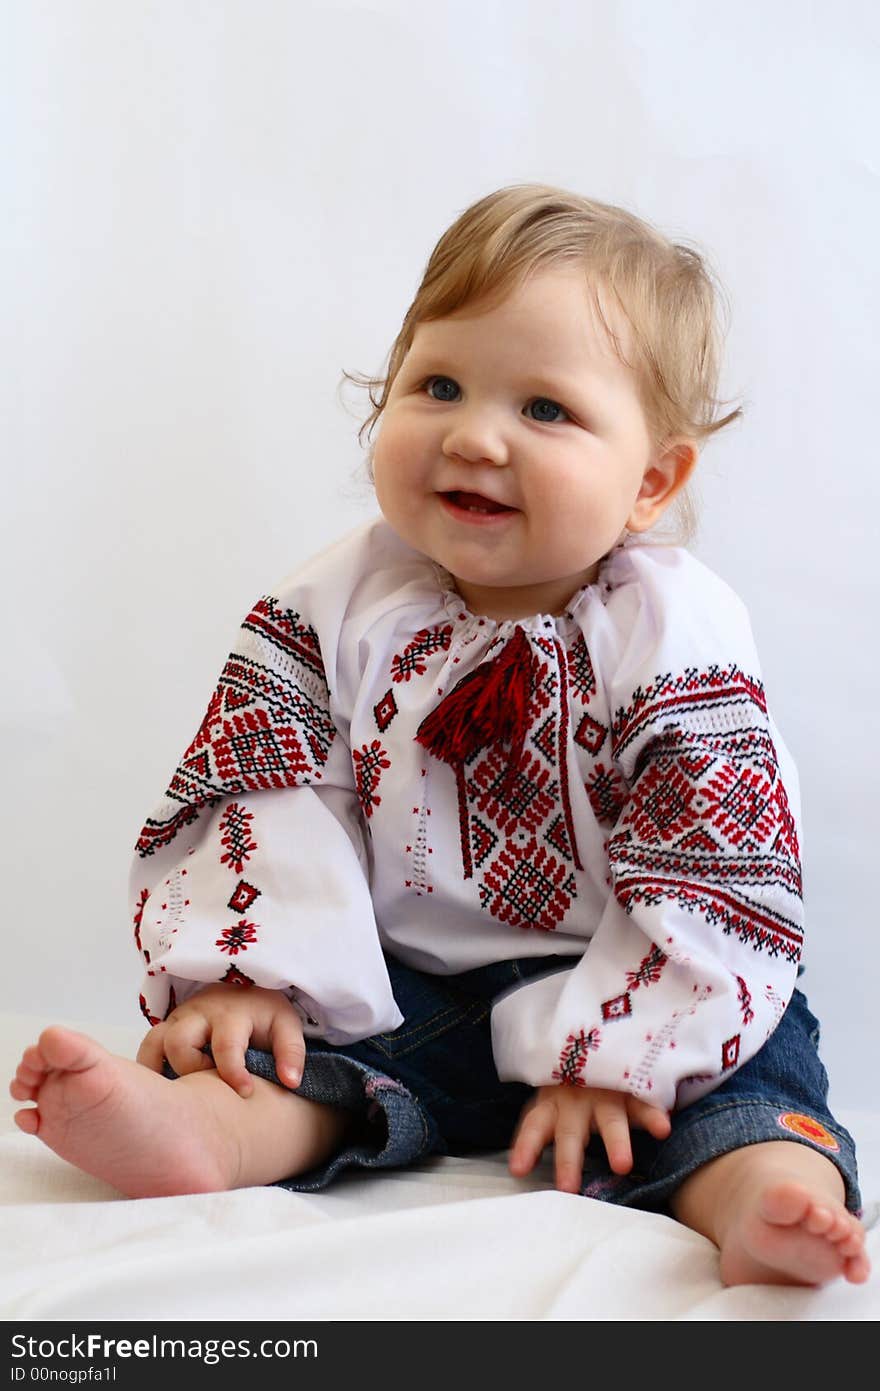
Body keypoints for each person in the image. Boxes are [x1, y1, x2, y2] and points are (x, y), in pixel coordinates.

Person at [10, 184, 870, 1288]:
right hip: (410, 988)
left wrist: (621, 1047)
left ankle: (762, 1196)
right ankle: (209, 1135)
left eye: (546, 410)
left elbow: (713, 852)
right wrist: (250, 973)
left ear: (650, 479)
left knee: (750, 1078)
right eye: (440, 384)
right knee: (297, 1061)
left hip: (634, 980)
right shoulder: (340, 601)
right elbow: (267, 784)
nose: (473, 435)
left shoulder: (671, 633)